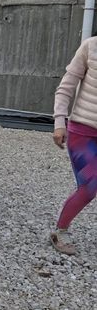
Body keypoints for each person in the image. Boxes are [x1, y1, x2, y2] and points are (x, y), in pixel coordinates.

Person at [51, 34, 97, 254]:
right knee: (89, 187)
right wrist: (59, 122)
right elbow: (65, 88)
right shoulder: (90, 47)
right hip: (83, 133)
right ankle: (60, 231)